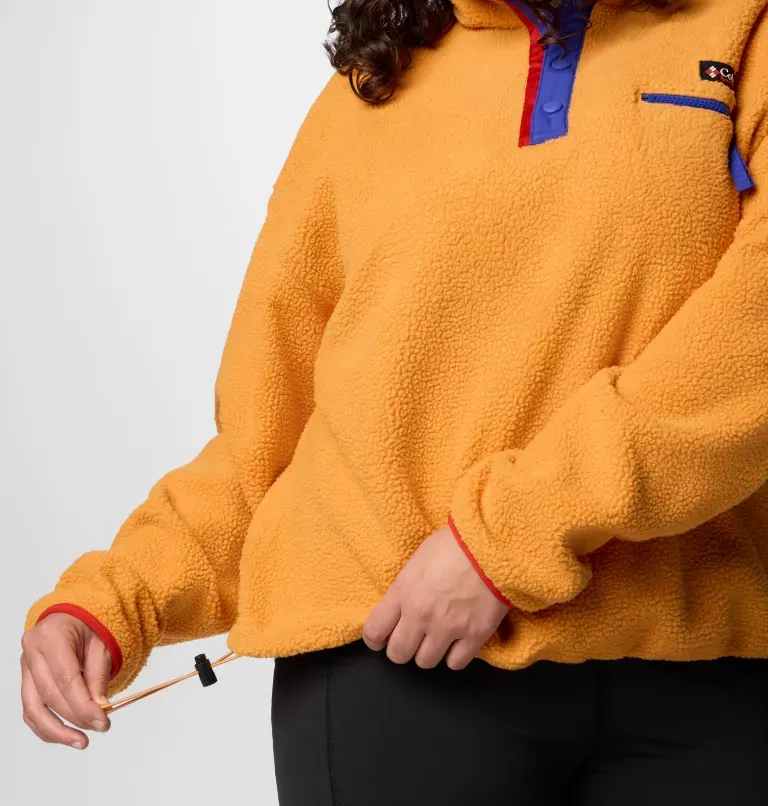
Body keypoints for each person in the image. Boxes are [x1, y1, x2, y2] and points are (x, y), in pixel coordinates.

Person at [20, 0, 768, 802]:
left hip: (706, 663)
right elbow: (264, 441)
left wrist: (506, 538)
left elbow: (748, 340)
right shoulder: (370, 89)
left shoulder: (740, 31)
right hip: (398, 666)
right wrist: (113, 601)